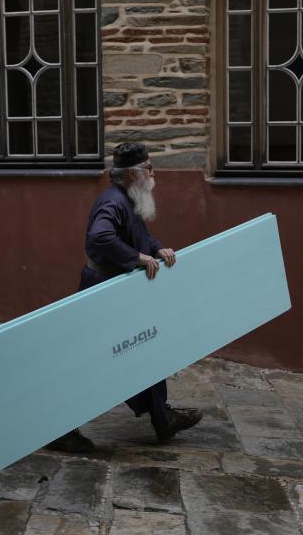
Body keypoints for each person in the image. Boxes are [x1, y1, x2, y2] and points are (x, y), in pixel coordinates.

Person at [46, 143, 203, 453]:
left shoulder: (129, 199)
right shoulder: (112, 202)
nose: (153, 173)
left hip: (118, 291)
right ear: (133, 173)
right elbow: (100, 238)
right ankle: (59, 430)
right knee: (95, 361)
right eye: (149, 168)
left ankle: (162, 418)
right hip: (103, 291)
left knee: (145, 351)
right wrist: (138, 258)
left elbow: (138, 235)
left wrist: (157, 249)